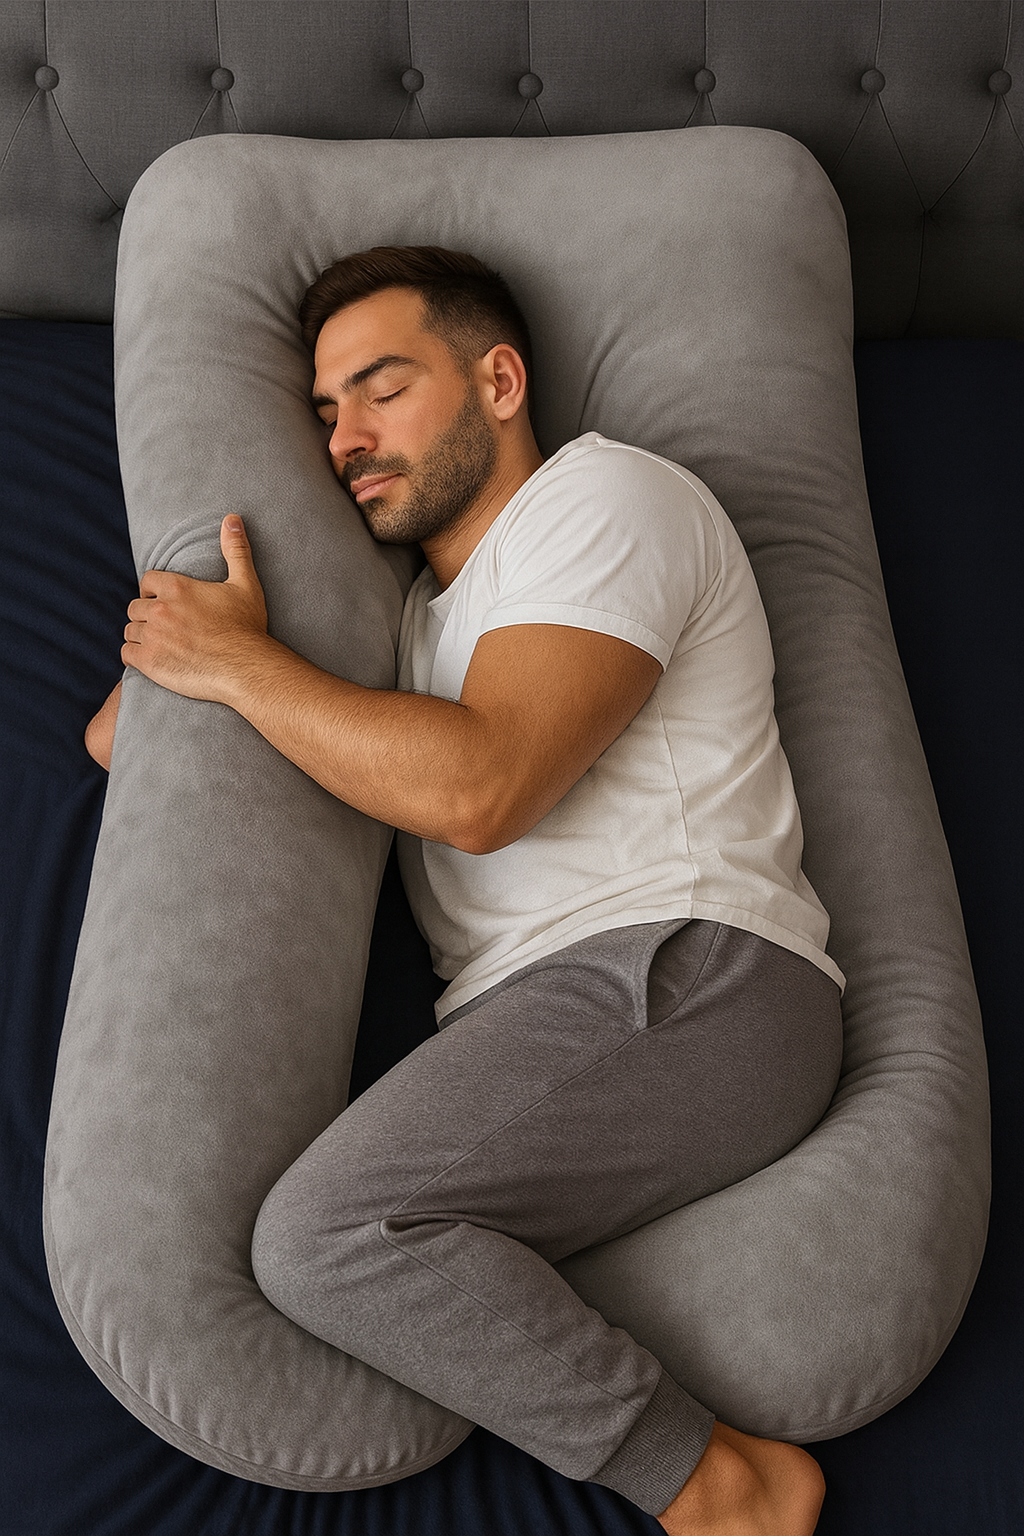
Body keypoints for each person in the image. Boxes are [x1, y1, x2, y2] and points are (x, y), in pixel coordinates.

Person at [86, 245, 844, 1534]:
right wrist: (201, 637)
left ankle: (723, 1489)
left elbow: (482, 790)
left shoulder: (604, 499)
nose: (346, 439)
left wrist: (244, 670)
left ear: (498, 382)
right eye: (325, 412)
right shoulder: (413, 623)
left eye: (383, 391)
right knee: (338, 1239)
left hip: (695, 967)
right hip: (553, 1011)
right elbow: (122, 747)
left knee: (331, 1235)